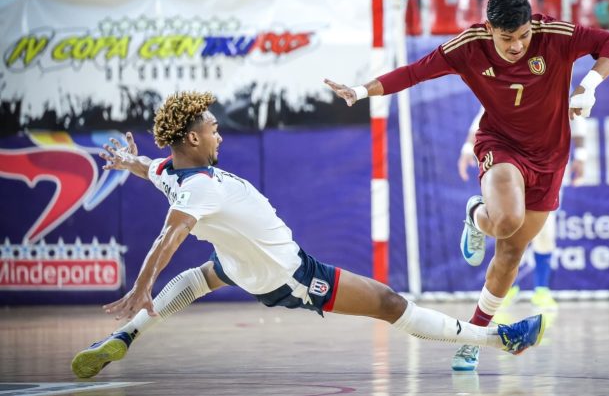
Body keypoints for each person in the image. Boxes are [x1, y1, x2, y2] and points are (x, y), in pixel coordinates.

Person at [70, 91, 544, 379]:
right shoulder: (198, 191)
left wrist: (127, 162)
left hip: (242, 267)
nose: (219, 137)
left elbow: (150, 169)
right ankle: (500, 339)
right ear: (193, 139)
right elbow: (167, 237)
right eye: (214, 130)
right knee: (389, 304)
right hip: (289, 275)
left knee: (201, 277)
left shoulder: (172, 171)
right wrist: (140, 286)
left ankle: (123, 338)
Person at [324, 0, 609, 372]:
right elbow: (414, 72)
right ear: (490, 29)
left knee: (511, 253)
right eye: (507, 38)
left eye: (522, 36)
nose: (517, 46)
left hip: (550, 158)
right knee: (505, 221)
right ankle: (478, 214)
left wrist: (590, 84)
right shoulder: (469, 46)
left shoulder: (554, 35)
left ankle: (474, 335)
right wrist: (361, 90)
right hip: (501, 145)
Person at [457, 107, 588, 309]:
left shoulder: (558, 83)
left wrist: (581, 156)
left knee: (545, 231)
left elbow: (577, 120)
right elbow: (483, 115)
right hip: (512, 163)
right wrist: (467, 148)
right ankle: (507, 290)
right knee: (509, 226)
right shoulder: (508, 79)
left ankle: (542, 291)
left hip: (547, 166)